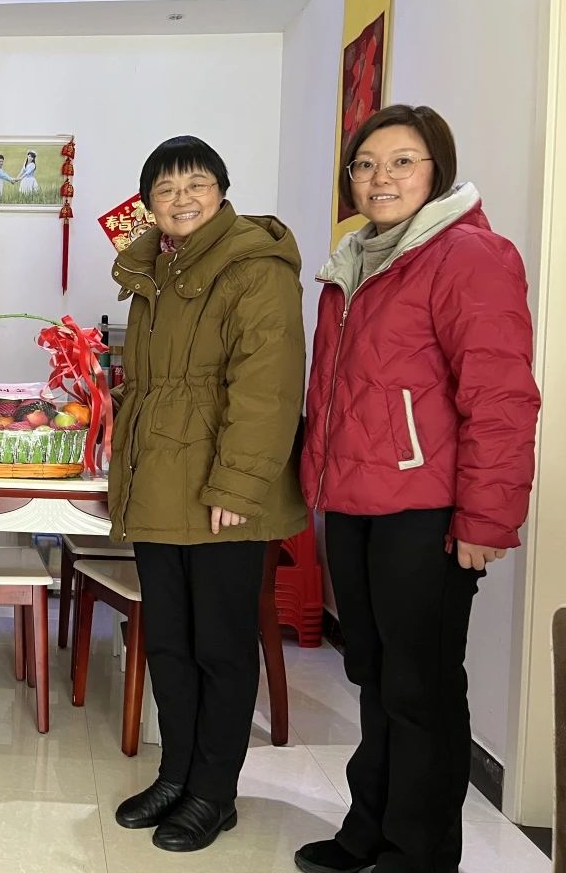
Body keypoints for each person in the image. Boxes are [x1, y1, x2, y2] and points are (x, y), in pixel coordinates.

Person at [295, 105, 540, 873]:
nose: (382, 177)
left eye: (402, 161)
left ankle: (421, 853)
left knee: (421, 687)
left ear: (437, 170)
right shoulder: (357, 261)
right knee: (373, 676)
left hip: (425, 510)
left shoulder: (468, 255)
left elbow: (501, 396)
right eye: (366, 164)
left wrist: (487, 519)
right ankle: (371, 828)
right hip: (355, 502)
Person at [108, 136, 307, 852]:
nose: (181, 198)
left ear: (222, 191)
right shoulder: (155, 271)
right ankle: (178, 775)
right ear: (149, 205)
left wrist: (238, 483)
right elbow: (151, 389)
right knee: (169, 642)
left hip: (222, 490)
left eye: (196, 183)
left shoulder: (256, 267)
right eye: (164, 189)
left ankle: (214, 794)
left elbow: (267, 386)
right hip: (161, 484)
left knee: (220, 646)